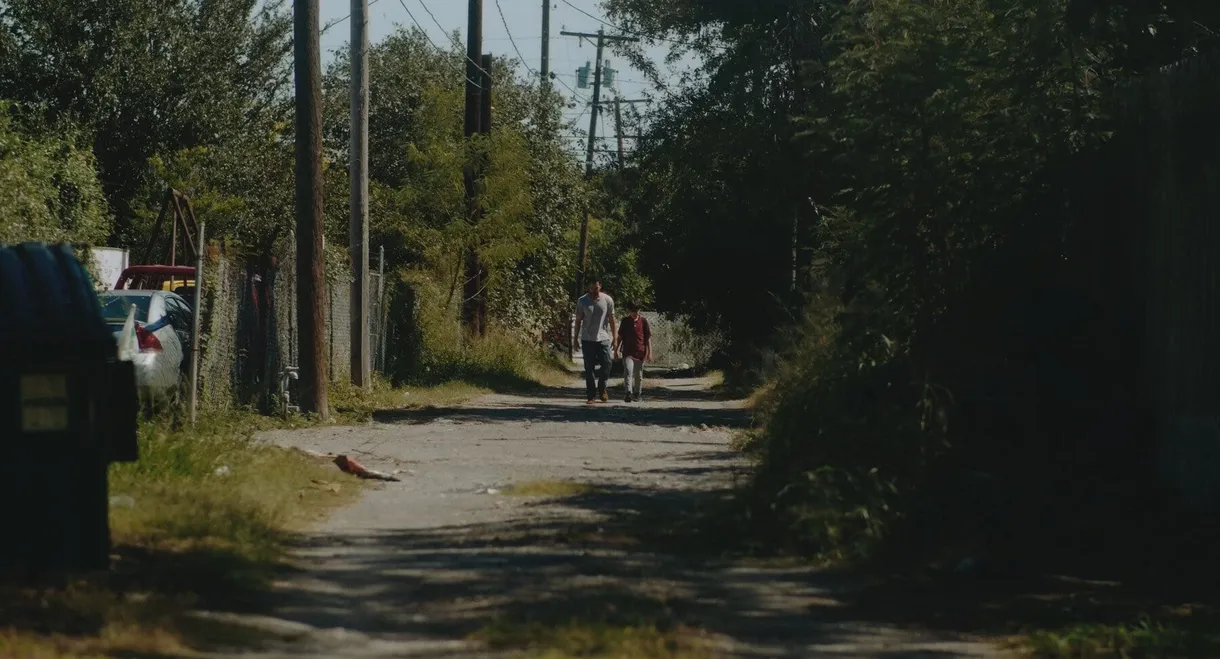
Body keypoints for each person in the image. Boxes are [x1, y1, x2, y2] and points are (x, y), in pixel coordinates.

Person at [574, 279, 616, 404]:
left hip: (603, 337)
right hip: (587, 338)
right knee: (589, 368)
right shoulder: (582, 301)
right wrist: (575, 339)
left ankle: (602, 387)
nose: (593, 291)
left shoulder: (607, 300)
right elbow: (578, 321)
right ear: (588, 288)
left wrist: (615, 338)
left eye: (596, 288)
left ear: (600, 286)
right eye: (591, 288)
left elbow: (612, 320)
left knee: (607, 363)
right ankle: (591, 396)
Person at [613, 301, 652, 402]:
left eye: (637, 310)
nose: (635, 313)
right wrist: (616, 350)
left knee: (638, 375)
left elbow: (647, 338)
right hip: (628, 352)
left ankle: (637, 393)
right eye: (632, 311)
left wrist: (650, 353)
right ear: (629, 311)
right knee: (628, 371)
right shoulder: (625, 321)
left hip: (640, 352)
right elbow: (620, 337)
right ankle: (628, 393)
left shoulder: (643, 321)